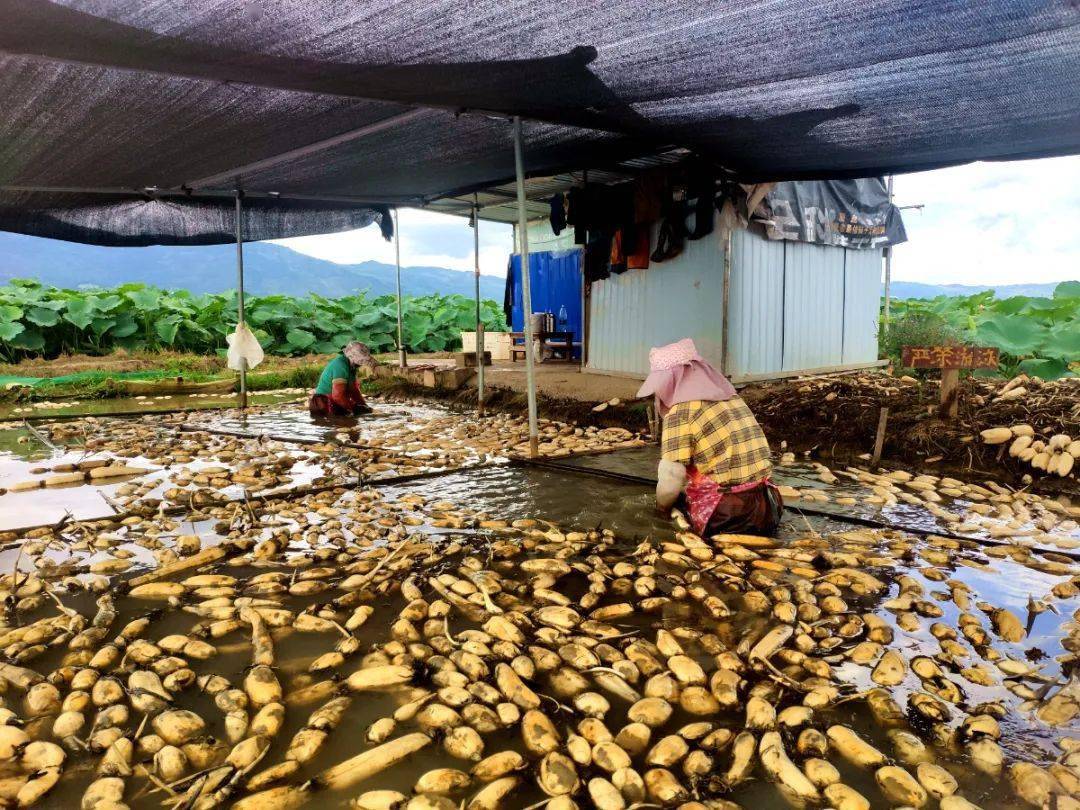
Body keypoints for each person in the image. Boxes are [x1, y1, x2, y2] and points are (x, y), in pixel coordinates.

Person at [639, 338, 783, 536]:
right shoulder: (729, 397)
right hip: (769, 503)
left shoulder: (681, 411)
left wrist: (659, 511)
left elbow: (672, 477)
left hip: (730, 514)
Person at [308, 341, 377, 417]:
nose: (364, 362)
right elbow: (338, 396)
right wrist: (351, 411)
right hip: (324, 404)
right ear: (352, 356)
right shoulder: (341, 366)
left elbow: (354, 390)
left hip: (333, 401)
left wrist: (365, 406)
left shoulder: (350, 366)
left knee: (362, 412)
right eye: (362, 359)